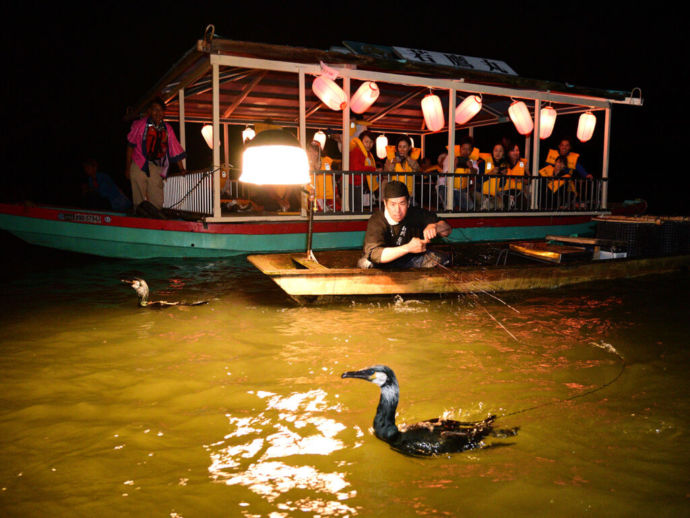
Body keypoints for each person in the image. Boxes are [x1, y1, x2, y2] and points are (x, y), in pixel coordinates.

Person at [360, 180, 452, 269]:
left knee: (444, 259)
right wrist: (408, 248)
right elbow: (374, 254)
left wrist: (435, 226)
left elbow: (447, 230)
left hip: (410, 260)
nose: (397, 210)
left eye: (402, 203)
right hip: (381, 263)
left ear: (408, 203)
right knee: (365, 263)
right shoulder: (377, 220)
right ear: (385, 203)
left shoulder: (415, 213)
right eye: (393, 204)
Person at [125, 98, 186, 210]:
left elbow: (175, 149)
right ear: (149, 111)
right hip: (139, 164)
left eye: (160, 110)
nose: (158, 113)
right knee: (138, 199)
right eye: (155, 110)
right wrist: (127, 168)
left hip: (156, 166)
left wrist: (182, 169)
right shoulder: (139, 125)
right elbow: (130, 146)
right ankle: (138, 220)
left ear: (164, 112)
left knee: (157, 200)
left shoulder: (167, 129)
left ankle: (155, 220)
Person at [438, 136, 484, 210]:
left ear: (472, 150)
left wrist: (471, 167)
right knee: (450, 206)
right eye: (464, 149)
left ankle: (453, 202)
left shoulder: (472, 160)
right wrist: (454, 166)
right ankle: (443, 201)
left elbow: (476, 172)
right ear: (460, 149)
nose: (466, 151)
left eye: (468, 149)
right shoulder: (450, 157)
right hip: (445, 187)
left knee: (470, 206)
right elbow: (446, 174)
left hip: (460, 190)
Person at [383, 135, 420, 199]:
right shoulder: (390, 159)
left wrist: (407, 157)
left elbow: (417, 169)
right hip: (394, 192)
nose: (402, 149)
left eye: (404, 147)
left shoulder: (413, 159)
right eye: (400, 147)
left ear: (409, 147)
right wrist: (393, 162)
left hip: (408, 192)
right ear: (397, 148)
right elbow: (386, 174)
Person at [349, 130, 377, 211]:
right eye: (366, 142)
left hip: (359, 183)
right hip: (352, 183)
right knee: (355, 209)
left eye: (371, 142)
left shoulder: (367, 153)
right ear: (361, 142)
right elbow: (357, 168)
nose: (369, 144)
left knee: (357, 208)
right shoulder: (357, 151)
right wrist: (373, 169)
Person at [308, 141, 339, 211]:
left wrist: (336, 190)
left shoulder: (328, 161)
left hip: (328, 196)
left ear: (319, 152)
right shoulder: (305, 163)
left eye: (316, 151)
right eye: (310, 151)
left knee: (333, 214)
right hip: (314, 197)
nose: (314, 154)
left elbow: (338, 169)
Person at [501, 142, 530, 210]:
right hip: (505, 193)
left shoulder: (522, 164)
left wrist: (522, 180)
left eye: (517, 150)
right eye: (513, 150)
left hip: (518, 193)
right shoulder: (503, 163)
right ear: (508, 152)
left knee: (524, 205)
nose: (515, 152)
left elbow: (529, 180)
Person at [479, 143, 508, 210]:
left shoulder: (503, 165)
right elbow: (479, 180)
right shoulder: (484, 162)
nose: (498, 153)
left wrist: (504, 176)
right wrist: (491, 173)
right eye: (496, 150)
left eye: (500, 151)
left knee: (501, 205)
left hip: (494, 195)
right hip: (481, 193)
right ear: (492, 151)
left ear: (503, 153)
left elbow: (502, 184)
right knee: (490, 206)